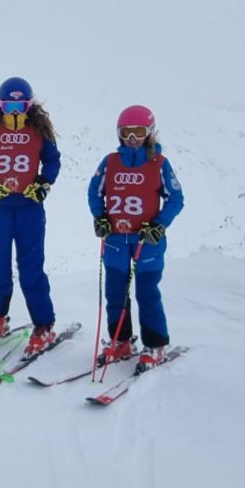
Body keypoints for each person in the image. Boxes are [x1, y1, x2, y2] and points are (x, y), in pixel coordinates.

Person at [0, 76, 61, 357]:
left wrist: (43, 183)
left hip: (29, 207)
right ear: (0, 105)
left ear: (30, 105)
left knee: (31, 267)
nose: (16, 112)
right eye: (9, 106)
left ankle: (44, 325)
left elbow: (53, 160)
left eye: (21, 106)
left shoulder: (40, 129)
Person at [88, 104, 184, 373]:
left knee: (147, 292)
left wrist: (160, 225)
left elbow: (176, 198)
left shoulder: (159, 163)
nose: (132, 138)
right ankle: (120, 342)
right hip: (116, 239)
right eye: (126, 132)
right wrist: (100, 217)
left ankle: (155, 345)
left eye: (139, 132)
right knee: (115, 293)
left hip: (147, 240)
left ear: (150, 132)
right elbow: (94, 193)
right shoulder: (110, 162)